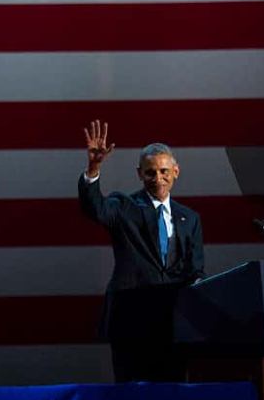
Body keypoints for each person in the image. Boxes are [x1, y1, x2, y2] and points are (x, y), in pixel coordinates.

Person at [78, 120, 204, 382]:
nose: (158, 178)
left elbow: (196, 272)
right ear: (139, 174)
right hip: (131, 323)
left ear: (176, 172)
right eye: (150, 173)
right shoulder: (124, 207)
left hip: (173, 325)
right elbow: (96, 208)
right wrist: (94, 168)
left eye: (164, 171)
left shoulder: (189, 218)